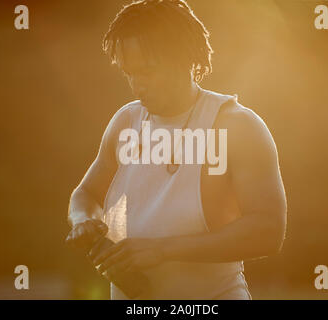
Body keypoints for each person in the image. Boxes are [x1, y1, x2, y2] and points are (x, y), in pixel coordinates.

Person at [65, 0, 287, 300]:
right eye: (129, 73)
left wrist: (162, 250)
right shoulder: (125, 122)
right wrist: (82, 221)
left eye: (148, 71)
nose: (137, 85)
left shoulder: (237, 125)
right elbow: (86, 195)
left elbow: (268, 230)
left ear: (184, 58)